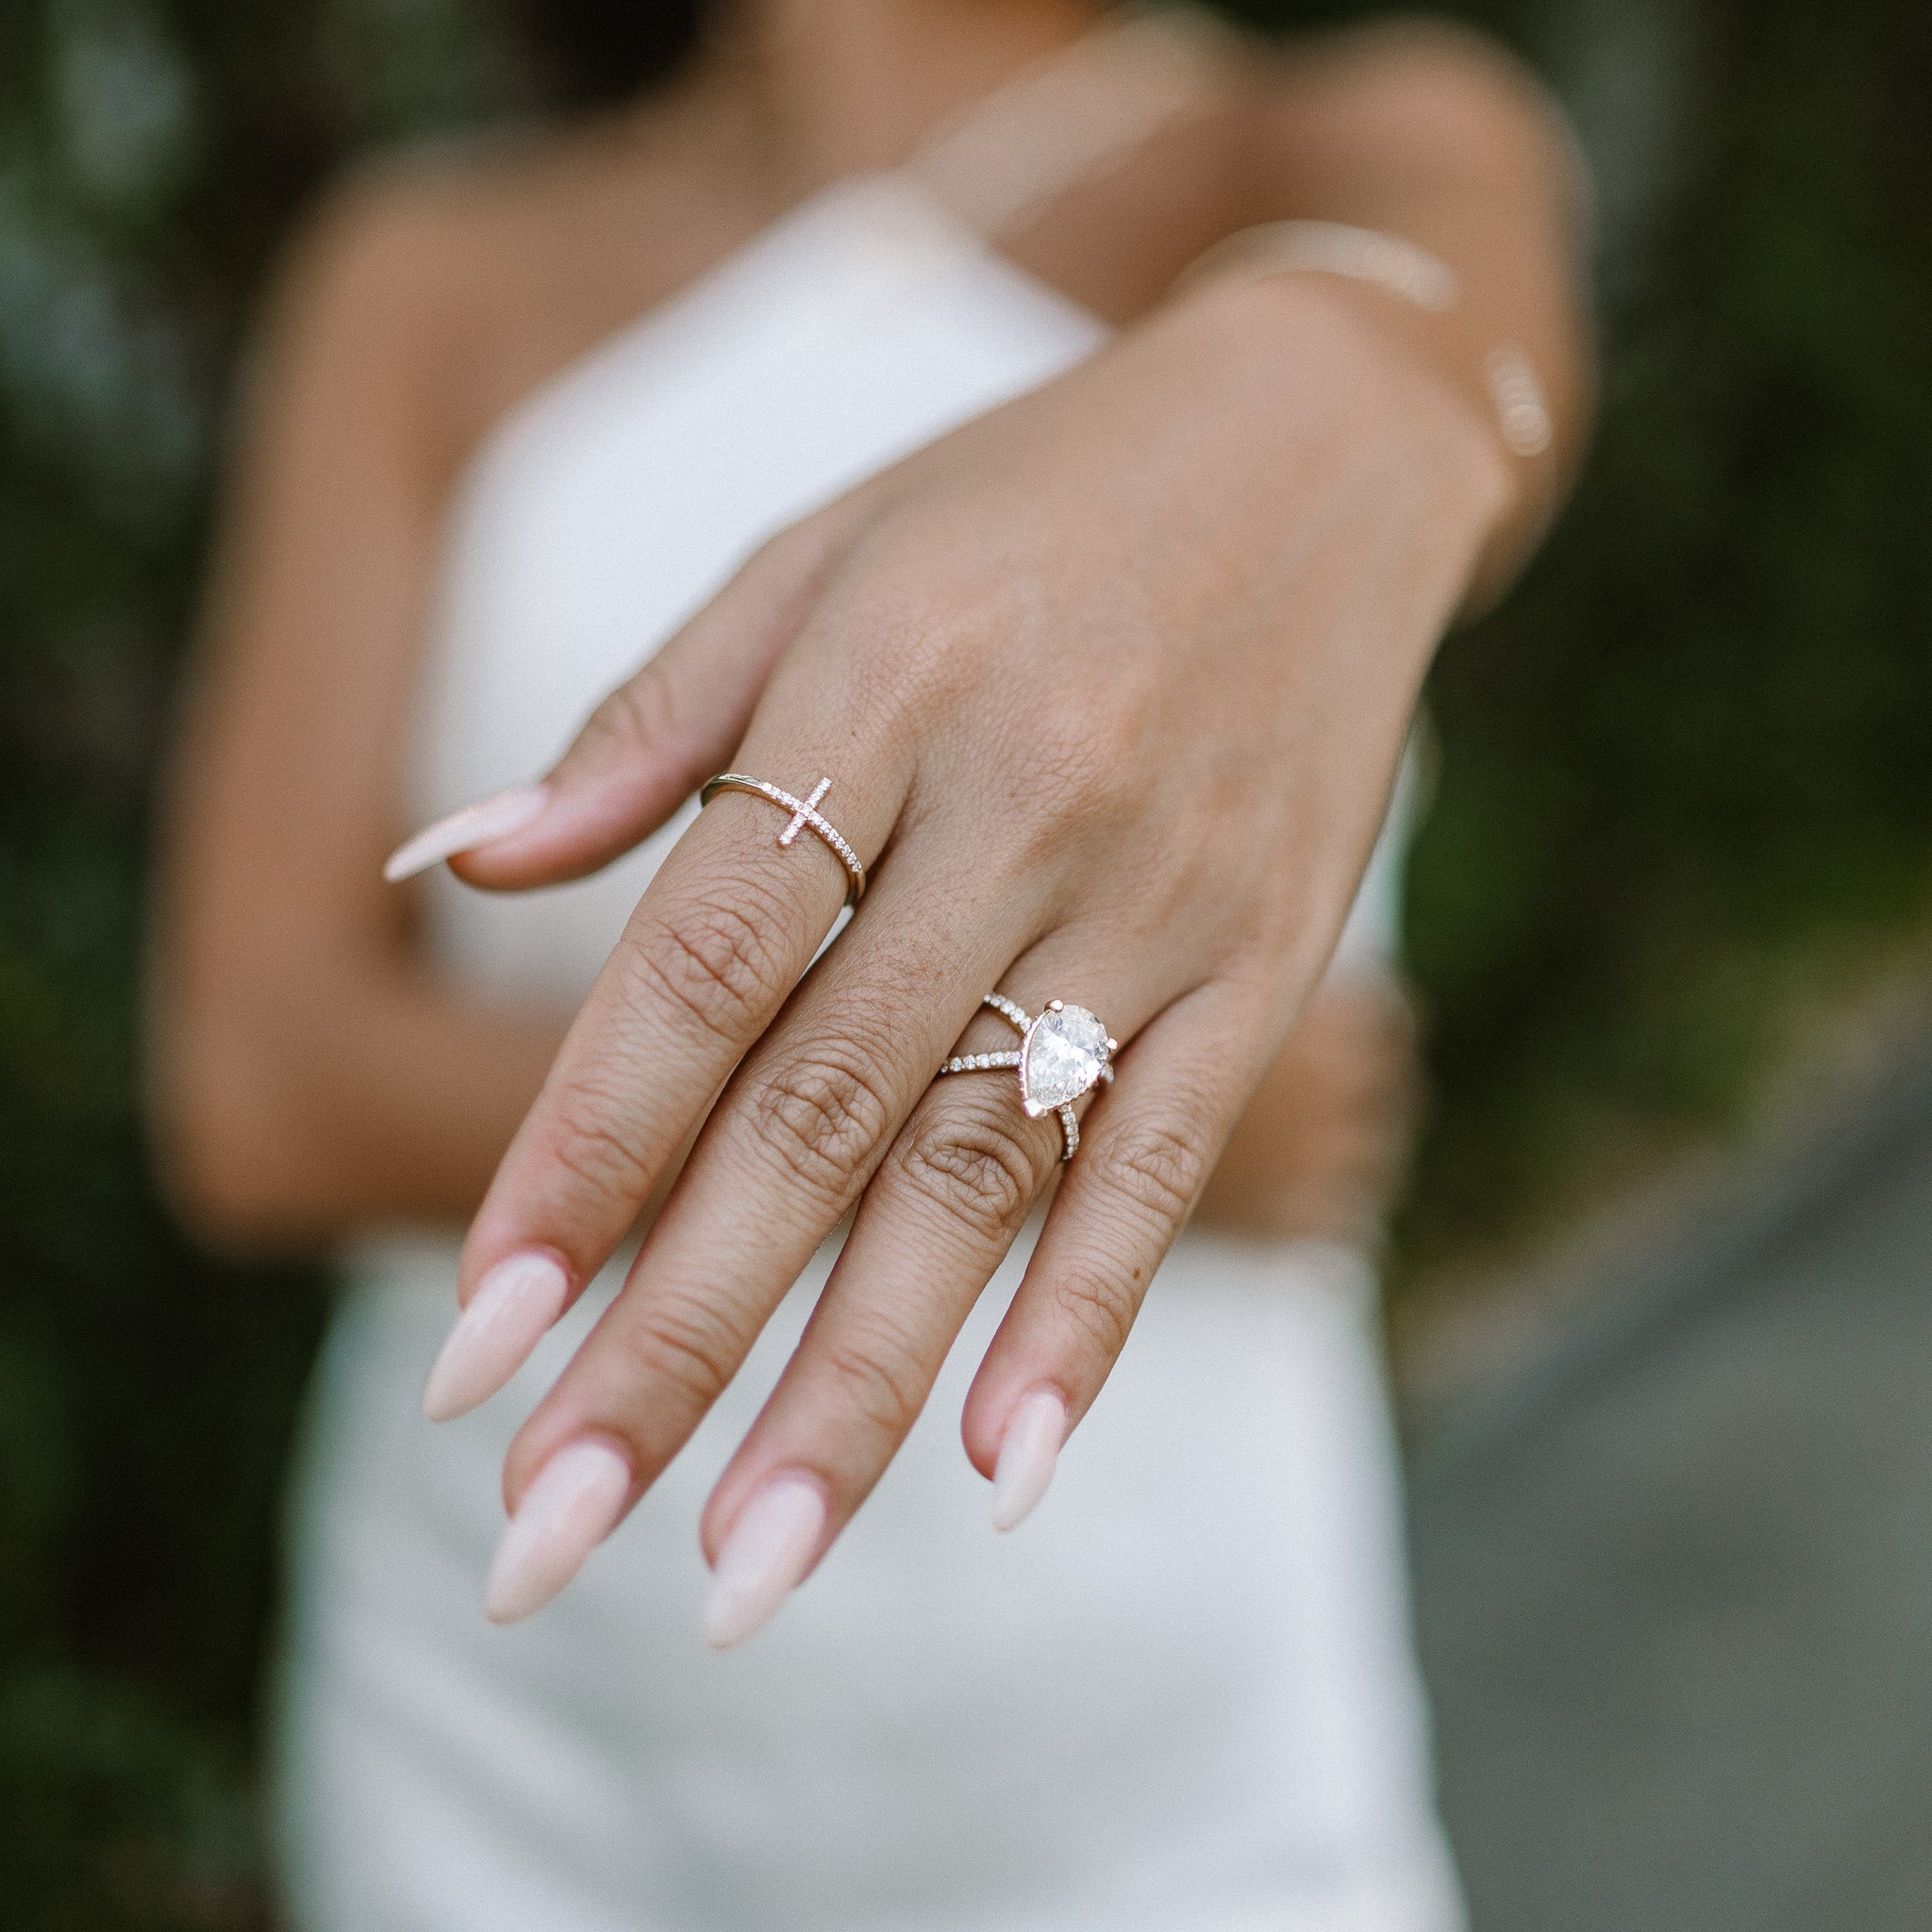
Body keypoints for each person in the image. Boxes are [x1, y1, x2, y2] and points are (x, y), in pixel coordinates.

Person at [153, 2, 1590, 1926]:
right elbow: (259, 1087)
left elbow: (1454, 331)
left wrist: (1333, 374)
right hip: (510, 1753)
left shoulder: (1327, 144)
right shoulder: (431, 268)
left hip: (1159, 1757)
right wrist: (1095, 1118)